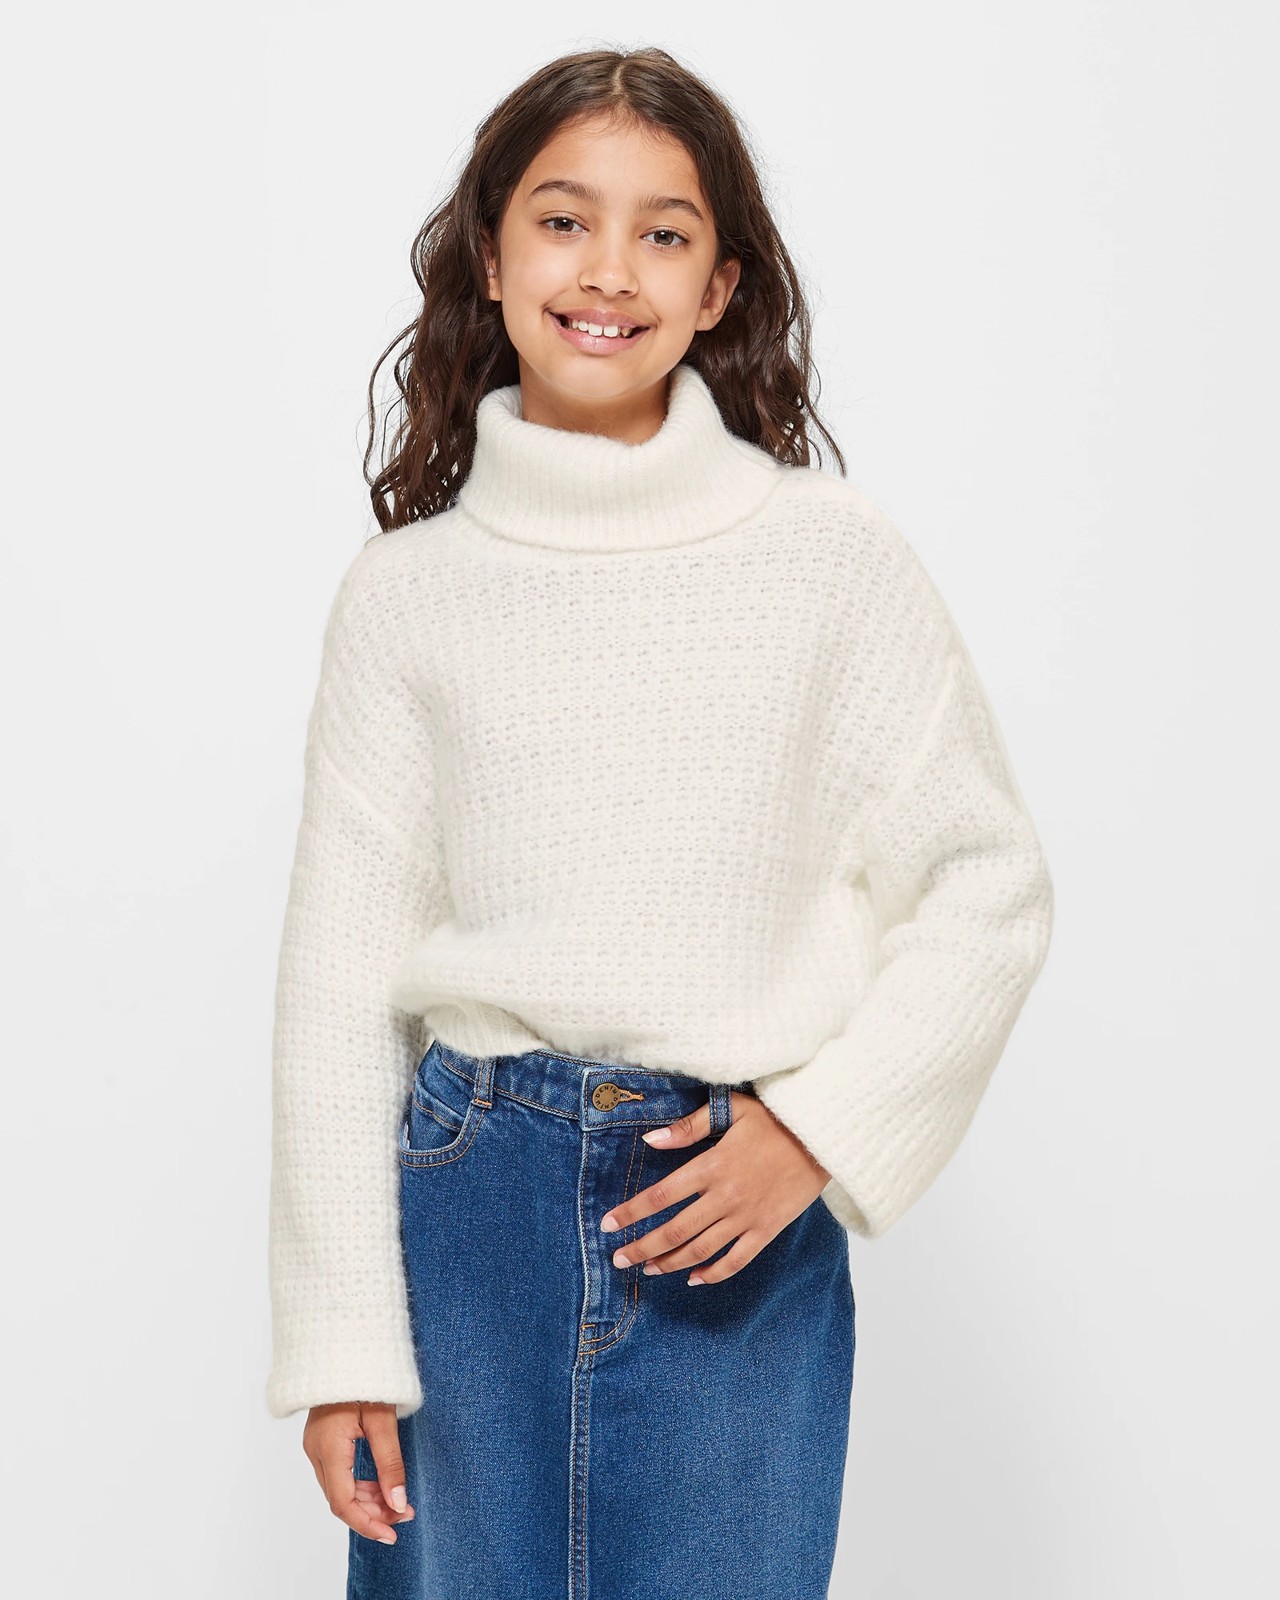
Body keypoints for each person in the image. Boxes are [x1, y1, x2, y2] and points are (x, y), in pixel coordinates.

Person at [265, 45, 1055, 1600]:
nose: (609, 269)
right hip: (467, 1206)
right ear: (492, 256)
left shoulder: (830, 560)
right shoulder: (408, 596)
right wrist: (341, 1337)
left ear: (719, 286)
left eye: (665, 232)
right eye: (563, 220)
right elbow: (338, 983)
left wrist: (817, 1133)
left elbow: (987, 886)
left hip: (725, 1212)